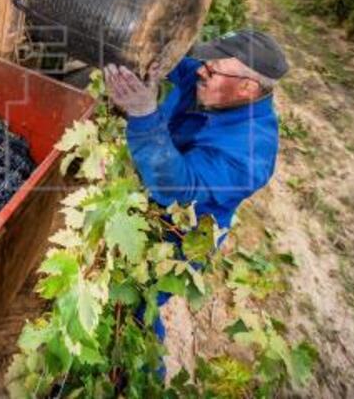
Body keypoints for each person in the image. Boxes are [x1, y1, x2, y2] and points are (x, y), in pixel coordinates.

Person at [103, 29, 289, 339]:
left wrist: (144, 114)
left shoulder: (251, 154)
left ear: (247, 87)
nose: (201, 69)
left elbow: (178, 190)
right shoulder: (214, 87)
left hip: (176, 238)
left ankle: (146, 372)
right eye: (207, 61)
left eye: (213, 69)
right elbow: (175, 62)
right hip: (144, 196)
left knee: (136, 300)